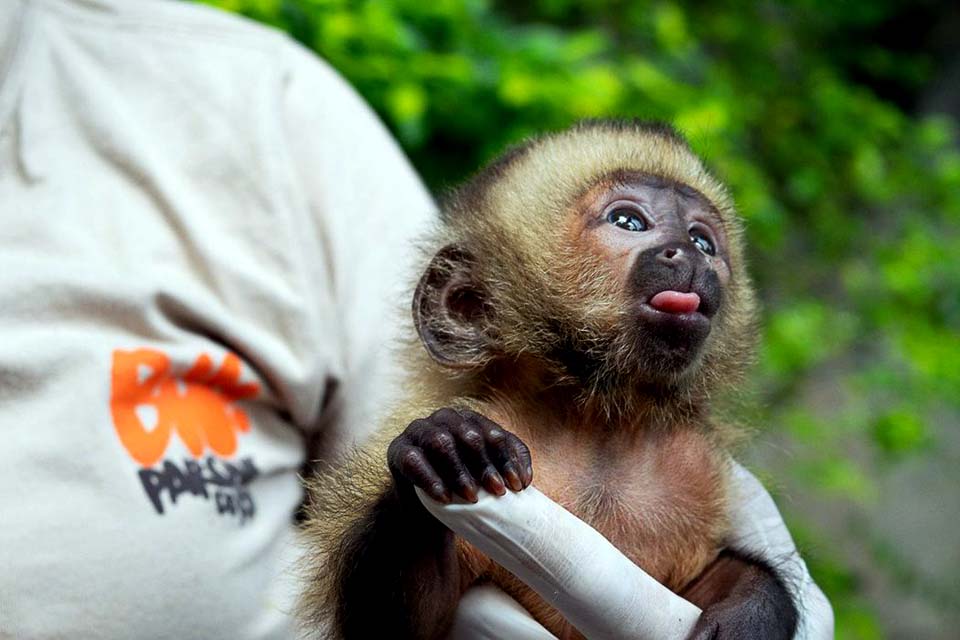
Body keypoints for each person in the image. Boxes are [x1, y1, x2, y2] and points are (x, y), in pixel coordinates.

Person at [0, 1, 831, 638]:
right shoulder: (471, 439)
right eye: (625, 221)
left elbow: (720, 581)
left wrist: (759, 595)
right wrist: (415, 505)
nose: (684, 256)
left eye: (703, 236)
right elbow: (390, 616)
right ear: (465, 305)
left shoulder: (259, 107)